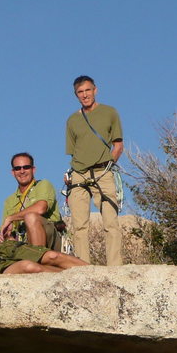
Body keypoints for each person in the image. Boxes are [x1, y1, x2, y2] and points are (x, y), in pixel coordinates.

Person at [65, 75, 124, 265]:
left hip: (102, 172)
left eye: (87, 90)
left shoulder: (110, 112)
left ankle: (115, 267)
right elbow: (73, 152)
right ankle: (83, 266)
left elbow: (118, 145)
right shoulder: (72, 120)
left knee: (110, 222)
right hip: (79, 174)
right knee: (79, 224)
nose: (85, 95)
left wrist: (108, 167)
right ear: (76, 95)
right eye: (80, 92)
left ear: (95, 90)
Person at [0, 152, 63, 250]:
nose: (22, 171)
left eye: (26, 167)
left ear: (33, 169)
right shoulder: (9, 201)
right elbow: (3, 230)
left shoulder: (43, 185)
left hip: (50, 238)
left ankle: (37, 258)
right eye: (17, 168)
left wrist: (12, 218)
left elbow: (41, 208)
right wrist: (8, 235)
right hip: (22, 243)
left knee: (31, 217)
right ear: (13, 172)